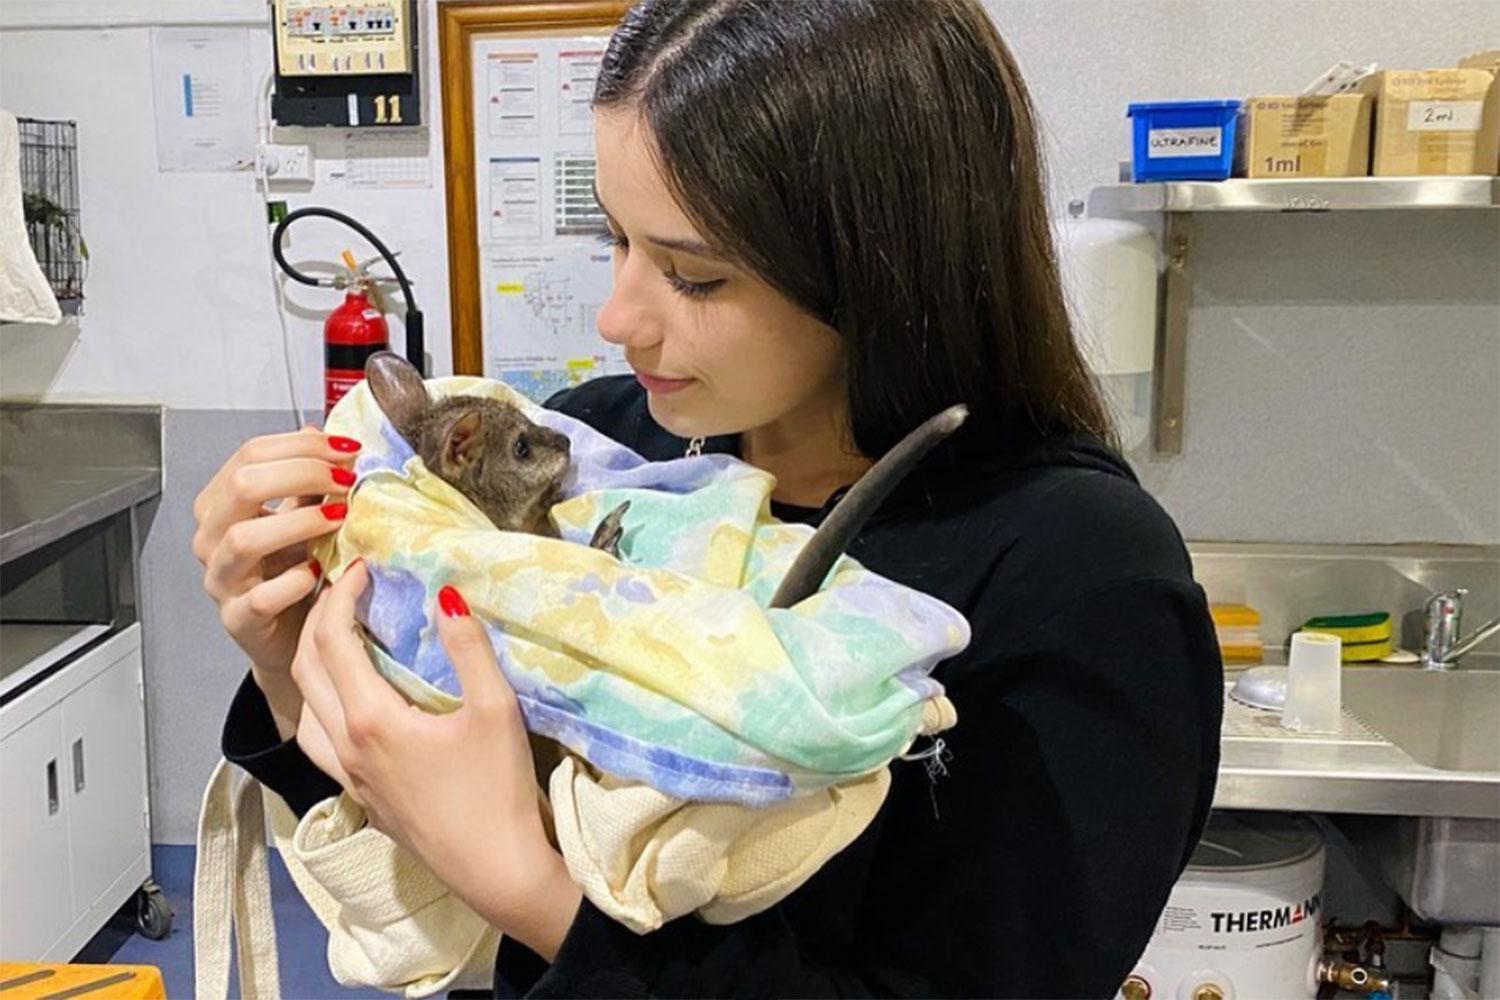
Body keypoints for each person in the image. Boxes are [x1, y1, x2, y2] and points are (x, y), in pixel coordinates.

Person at [193, 1, 1223, 996]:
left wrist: (529, 887)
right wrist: (308, 668)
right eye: (616, 237)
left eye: (693, 276)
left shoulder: (1084, 583)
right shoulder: (611, 453)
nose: (616, 316)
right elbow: (418, 869)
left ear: (880, 262)